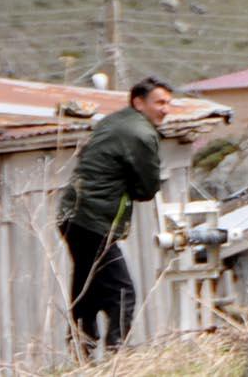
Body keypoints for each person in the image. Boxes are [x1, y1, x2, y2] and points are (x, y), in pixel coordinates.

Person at [57, 76, 173, 354]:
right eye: (159, 102)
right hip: (93, 221)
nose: (166, 109)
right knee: (123, 292)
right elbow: (147, 188)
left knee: (88, 284)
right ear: (138, 102)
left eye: (169, 103)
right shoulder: (141, 134)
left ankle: (82, 346)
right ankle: (116, 355)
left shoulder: (111, 122)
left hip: (69, 216)